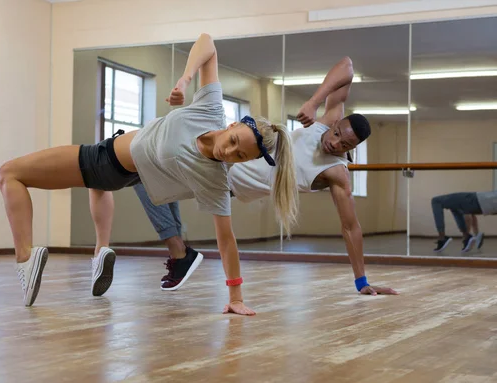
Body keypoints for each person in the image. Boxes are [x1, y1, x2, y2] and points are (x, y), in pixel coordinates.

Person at [0, 33, 299, 315]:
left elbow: (226, 240)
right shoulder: (210, 109)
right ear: (233, 126)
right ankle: (101, 249)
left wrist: (236, 298)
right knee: (97, 186)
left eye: (240, 156)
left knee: (10, 173)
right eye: (234, 142)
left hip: (107, 160)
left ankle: (25, 257)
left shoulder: (215, 179)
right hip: (121, 168)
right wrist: (185, 80)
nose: (229, 153)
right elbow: (207, 43)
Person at [134, 56, 397, 296]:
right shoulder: (328, 119)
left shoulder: (336, 173)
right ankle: (180, 252)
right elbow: (347, 66)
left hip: (223, 182)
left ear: (352, 151)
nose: (335, 144)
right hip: (223, 153)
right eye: (337, 134)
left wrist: (362, 282)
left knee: (143, 178)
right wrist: (313, 102)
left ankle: (179, 252)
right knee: (148, 177)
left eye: (345, 146)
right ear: (337, 124)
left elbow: (351, 227)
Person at [431, 191, 496, 252]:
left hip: (478, 199)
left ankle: (442, 238)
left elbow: (468, 215)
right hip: (482, 203)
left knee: (436, 200)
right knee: (456, 207)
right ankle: (469, 236)